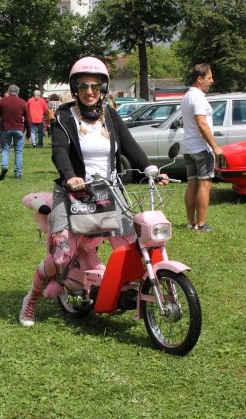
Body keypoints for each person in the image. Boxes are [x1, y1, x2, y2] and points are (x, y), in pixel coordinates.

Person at [18, 56, 166, 327]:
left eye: (95, 87)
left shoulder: (109, 115)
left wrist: (151, 168)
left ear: (103, 90)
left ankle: (123, 292)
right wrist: (70, 176)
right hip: (73, 192)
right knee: (59, 255)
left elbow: (130, 146)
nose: (89, 92)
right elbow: (59, 150)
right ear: (75, 88)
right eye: (84, 86)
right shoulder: (64, 116)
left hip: (108, 191)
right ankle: (32, 298)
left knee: (132, 245)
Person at [181, 63, 223, 232]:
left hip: (188, 148)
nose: (212, 81)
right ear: (199, 79)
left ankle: (191, 223)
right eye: (209, 78)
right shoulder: (198, 98)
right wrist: (215, 147)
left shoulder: (186, 96)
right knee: (204, 186)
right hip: (201, 148)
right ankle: (202, 223)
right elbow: (201, 123)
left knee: (192, 185)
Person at [0, 85, 30, 180]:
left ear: (9, 92)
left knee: (5, 149)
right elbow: (27, 119)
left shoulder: (2, 101)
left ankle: (4, 167)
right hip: (19, 129)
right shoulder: (22, 103)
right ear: (18, 92)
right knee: (18, 151)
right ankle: (18, 173)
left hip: (6, 128)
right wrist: (29, 133)